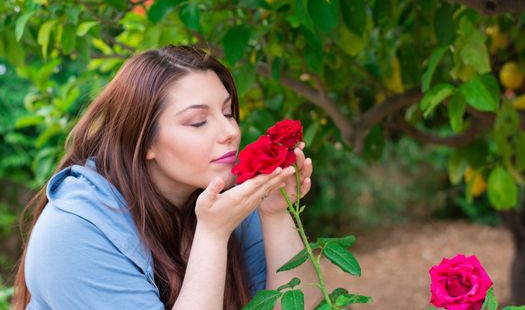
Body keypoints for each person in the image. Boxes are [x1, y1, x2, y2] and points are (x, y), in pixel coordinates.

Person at [13, 45, 319, 310]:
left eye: (227, 113)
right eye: (198, 122)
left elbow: (303, 303)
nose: (231, 132)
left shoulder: (223, 199)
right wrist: (213, 235)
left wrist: (276, 214)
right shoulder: (75, 233)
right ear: (144, 141)